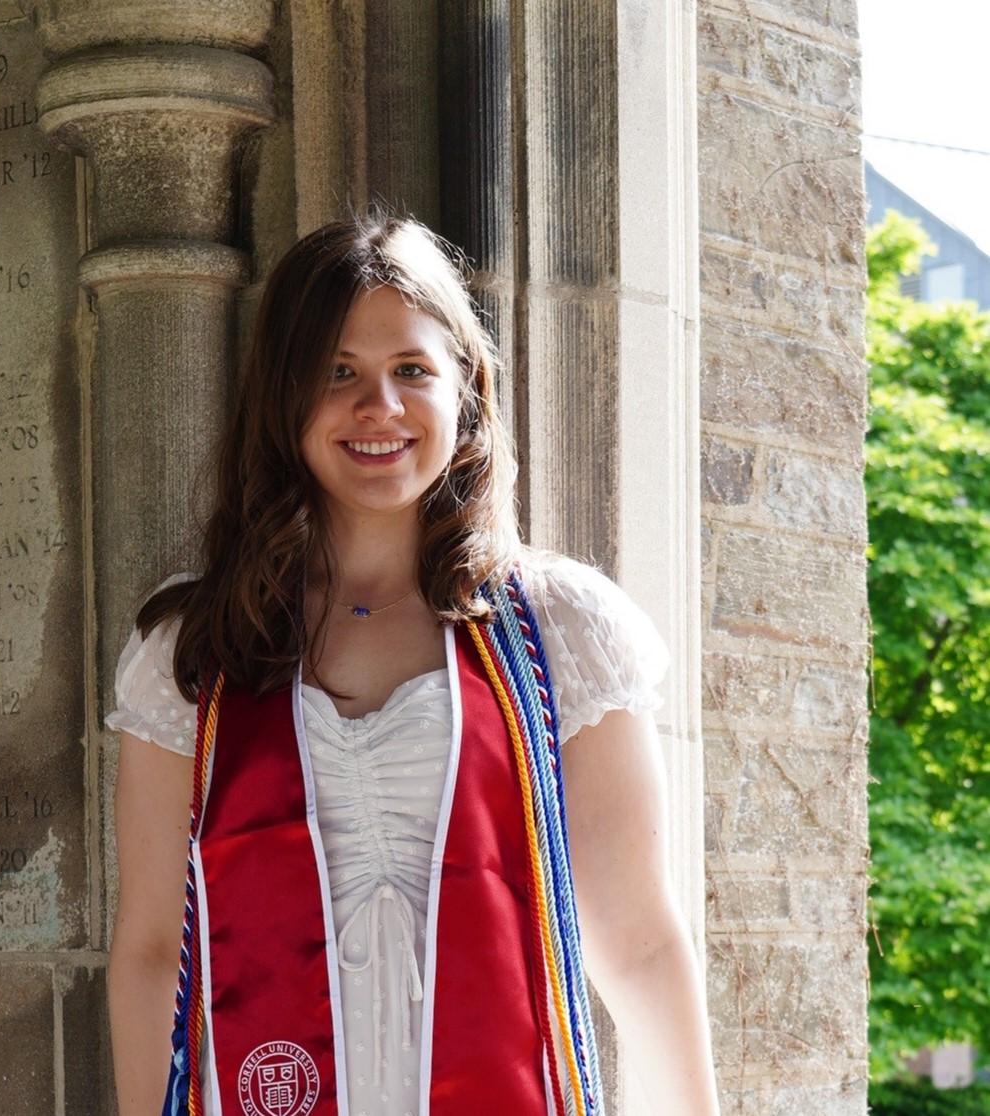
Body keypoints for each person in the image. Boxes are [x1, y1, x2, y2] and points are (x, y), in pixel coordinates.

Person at [106, 214, 721, 1116]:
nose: (378, 409)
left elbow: (635, 944)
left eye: (411, 372)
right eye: (337, 372)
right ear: (283, 396)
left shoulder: (558, 633)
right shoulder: (197, 649)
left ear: (463, 389)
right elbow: (155, 950)